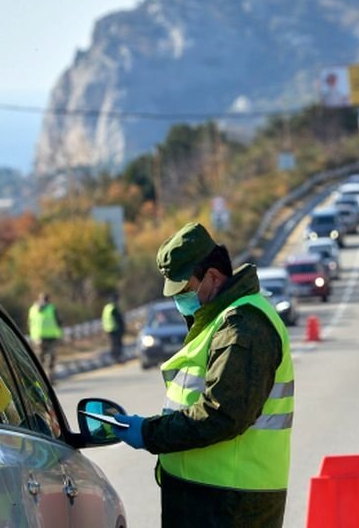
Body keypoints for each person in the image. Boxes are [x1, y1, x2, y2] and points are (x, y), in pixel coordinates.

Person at [112, 222, 294, 527]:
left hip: (231, 506)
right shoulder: (219, 321)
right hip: (208, 500)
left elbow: (222, 414)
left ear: (212, 276)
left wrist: (148, 433)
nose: (181, 301)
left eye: (185, 291)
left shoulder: (242, 326)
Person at [28, 292, 63, 376]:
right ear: (48, 299)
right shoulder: (51, 308)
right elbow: (59, 322)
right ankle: (50, 377)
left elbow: (29, 323)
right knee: (50, 358)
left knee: (39, 358)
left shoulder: (32, 309)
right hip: (51, 337)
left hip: (37, 338)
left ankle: (40, 378)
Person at [101, 295, 125, 363]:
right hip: (115, 328)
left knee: (113, 343)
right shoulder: (113, 308)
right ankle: (117, 357)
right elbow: (119, 319)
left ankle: (114, 357)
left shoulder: (106, 307)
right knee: (117, 344)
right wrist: (122, 327)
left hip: (108, 328)